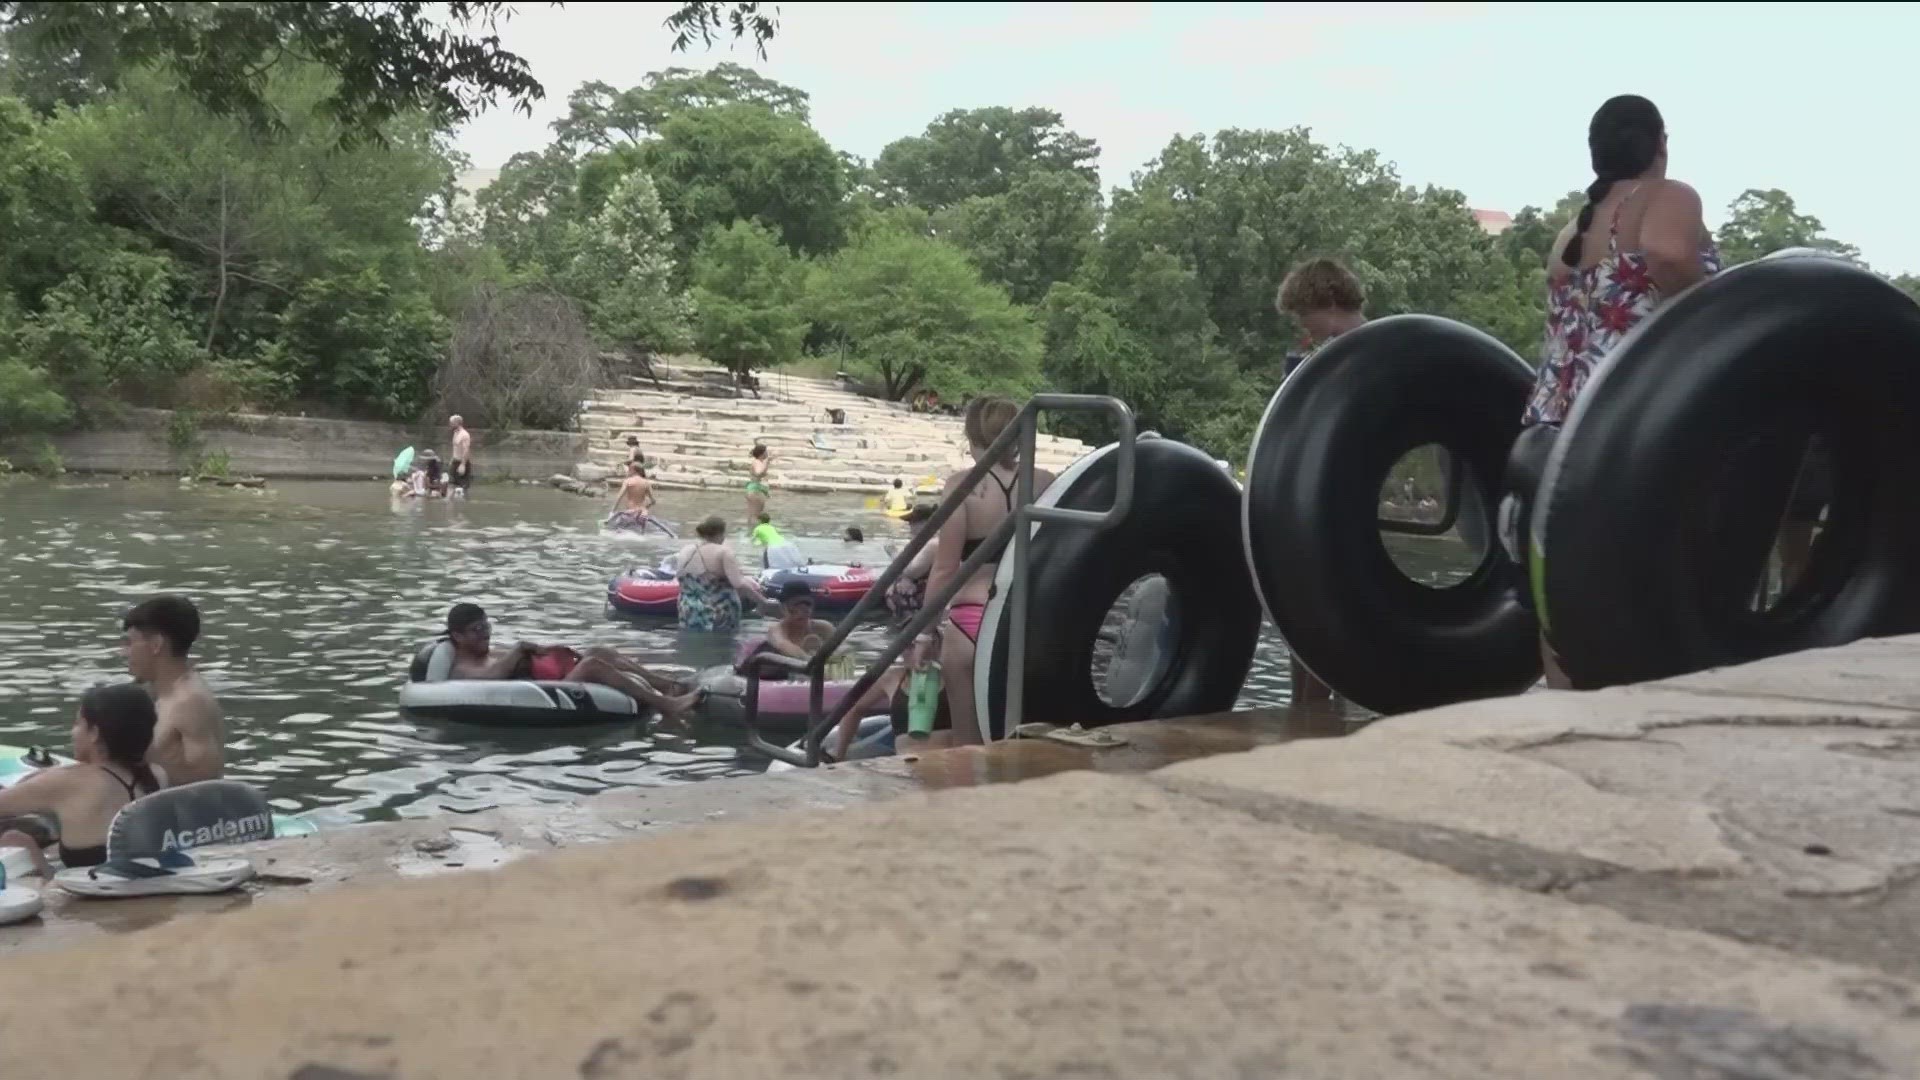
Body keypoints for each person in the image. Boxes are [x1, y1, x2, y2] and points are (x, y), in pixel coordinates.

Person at [1522, 94, 1720, 687]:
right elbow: (1667, 254)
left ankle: (1569, 715)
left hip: (1553, 429)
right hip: (1632, 425)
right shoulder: (1668, 198)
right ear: (1660, 143)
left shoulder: (1571, 230)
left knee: (1563, 588)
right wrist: (1707, 316)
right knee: (1652, 578)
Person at [928, 396, 1054, 745]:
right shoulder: (1045, 482)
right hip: (1027, 619)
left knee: (970, 744)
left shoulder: (962, 487)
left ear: (972, 438)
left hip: (972, 617)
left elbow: (944, 569)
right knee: (1021, 734)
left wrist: (923, 635)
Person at [1274, 258, 1370, 706]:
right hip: (1318, 500)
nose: (1303, 326)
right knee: (1299, 607)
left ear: (1326, 302)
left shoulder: (1365, 350)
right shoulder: (1331, 352)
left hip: (1338, 502)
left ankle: (1313, 707)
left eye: (1303, 314)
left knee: (1320, 609)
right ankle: (1306, 705)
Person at [0, 683, 167, 877]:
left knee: (14, 839)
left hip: (94, 897)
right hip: (139, 882)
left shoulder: (70, 782)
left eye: (77, 723)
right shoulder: (157, 775)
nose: (73, 732)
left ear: (94, 733)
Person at [441, 603, 702, 722]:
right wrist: (520, 649)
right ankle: (667, 705)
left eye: (486, 626)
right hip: (545, 695)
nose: (486, 633)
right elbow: (491, 681)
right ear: (458, 636)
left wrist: (551, 654)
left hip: (548, 683)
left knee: (599, 651)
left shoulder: (486, 653)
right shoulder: (462, 668)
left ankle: (669, 685)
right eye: (477, 629)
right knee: (593, 665)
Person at [121, 595, 223, 785]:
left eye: (130, 643)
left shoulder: (190, 702)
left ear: (156, 644)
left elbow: (208, 784)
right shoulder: (158, 692)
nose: (124, 652)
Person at [674, 516, 773, 633]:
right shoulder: (723, 552)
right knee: (721, 646)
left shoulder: (686, 550)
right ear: (721, 533)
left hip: (687, 610)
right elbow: (739, 584)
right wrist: (763, 602)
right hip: (718, 613)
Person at [606, 462, 663, 533]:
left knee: (616, 530)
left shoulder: (628, 481)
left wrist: (612, 512)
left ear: (633, 470)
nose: (628, 472)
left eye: (629, 470)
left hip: (630, 514)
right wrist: (645, 508)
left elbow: (619, 497)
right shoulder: (646, 483)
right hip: (643, 514)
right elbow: (653, 501)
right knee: (640, 533)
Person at [745, 444, 772, 522]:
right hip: (756, 491)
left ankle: (751, 532)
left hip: (757, 490)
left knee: (754, 515)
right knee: (755, 516)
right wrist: (767, 462)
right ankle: (753, 532)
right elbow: (758, 473)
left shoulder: (760, 462)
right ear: (762, 453)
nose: (767, 453)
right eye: (766, 451)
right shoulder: (757, 462)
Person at [448, 415, 473, 497]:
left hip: (462, 462)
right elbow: (455, 447)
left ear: (457, 423)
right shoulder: (455, 433)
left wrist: (463, 464)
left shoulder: (464, 435)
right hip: (455, 461)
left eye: (451, 423)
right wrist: (452, 459)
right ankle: (451, 505)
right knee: (452, 485)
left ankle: (464, 504)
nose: (450, 424)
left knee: (463, 487)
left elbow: (466, 450)